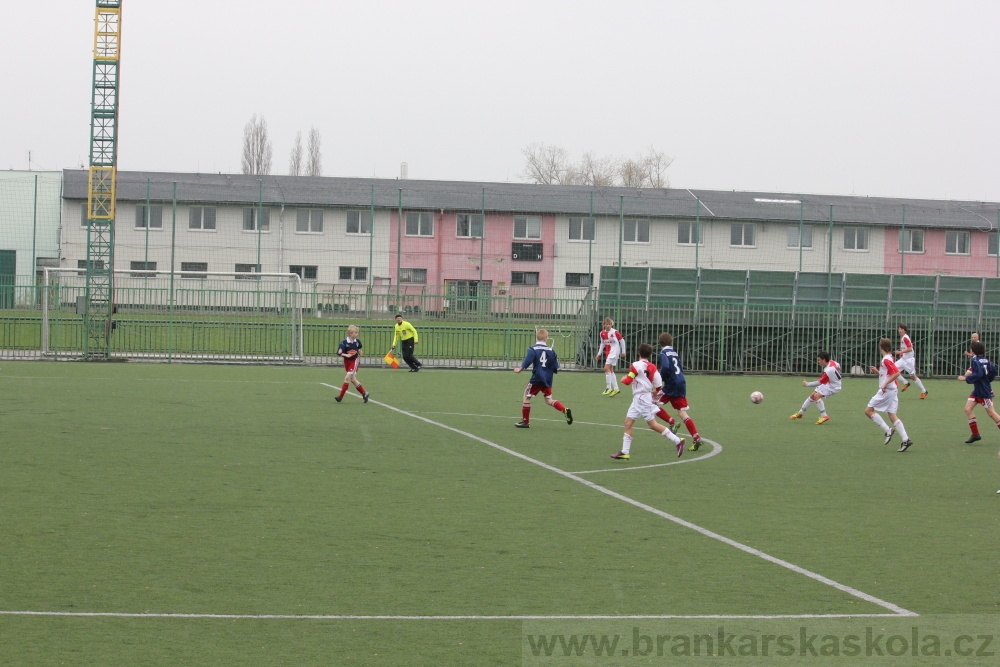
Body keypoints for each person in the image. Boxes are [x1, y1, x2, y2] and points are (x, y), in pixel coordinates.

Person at [611, 343, 685, 460]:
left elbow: (628, 380)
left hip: (641, 399)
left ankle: (677, 440)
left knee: (652, 425)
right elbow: (659, 385)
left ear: (639, 353)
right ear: (650, 355)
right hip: (640, 398)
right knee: (628, 423)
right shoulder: (653, 367)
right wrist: (655, 392)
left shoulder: (635, 365)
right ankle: (625, 451)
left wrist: (623, 379)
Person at [654, 332, 704, 450]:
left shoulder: (663, 353)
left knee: (650, 403)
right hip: (681, 382)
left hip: (670, 384)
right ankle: (696, 437)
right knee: (682, 413)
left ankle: (672, 422)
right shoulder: (674, 352)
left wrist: (660, 379)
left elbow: (666, 367)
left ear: (660, 343)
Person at [513, 328, 572, 428]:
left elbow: (528, 360)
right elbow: (556, 366)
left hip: (536, 378)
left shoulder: (532, 349)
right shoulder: (551, 351)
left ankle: (525, 422)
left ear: (537, 337)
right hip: (547, 379)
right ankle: (564, 410)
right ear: (546, 338)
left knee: (526, 397)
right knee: (549, 400)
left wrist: (520, 369)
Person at [866, 338, 913, 452]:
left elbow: (896, 373)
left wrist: (885, 384)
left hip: (887, 391)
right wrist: (877, 371)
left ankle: (888, 430)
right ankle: (906, 439)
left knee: (868, 411)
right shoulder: (889, 358)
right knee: (892, 415)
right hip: (893, 390)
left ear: (881, 347)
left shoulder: (887, 360)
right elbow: (887, 373)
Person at [957, 340, 1000, 444]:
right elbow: (994, 371)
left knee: (992, 413)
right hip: (978, 390)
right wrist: (987, 380)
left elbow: (979, 374)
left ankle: (975, 434)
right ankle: (975, 434)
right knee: (968, 409)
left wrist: (965, 379)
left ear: (974, 350)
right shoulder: (985, 360)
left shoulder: (975, 360)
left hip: (984, 392)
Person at [790, 352, 842, 424]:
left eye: (819, 360)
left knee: (816, 396)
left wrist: (807, 384)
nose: (818, 362)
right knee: (812, 395)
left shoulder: (828, 371)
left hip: (833, 387)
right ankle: (800, 413)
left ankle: (824, 416)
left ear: (824, 360)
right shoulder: (833, 362)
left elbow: (819, 382)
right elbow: (838, 367)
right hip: (829, 383)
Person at [334, 324, 370, 403]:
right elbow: (339, 352)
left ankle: (340, 397)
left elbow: (358, 348)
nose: (357, 334)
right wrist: (346, 354)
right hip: (347, 362)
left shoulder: (357, 342)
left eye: (357, 333)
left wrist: (359, 351)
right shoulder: (343, 343)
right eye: (355, 333)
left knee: (347, 378)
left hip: (354, 361)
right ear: (350, 333)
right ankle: (364, 393)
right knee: (353, 379)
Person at [595, 317, 626, 396]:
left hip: (614, 351)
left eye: (609, 324)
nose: (608, 325)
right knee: (610, 369)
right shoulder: (602, 333)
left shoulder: (615, 332)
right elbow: (602, 344)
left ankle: (608, 387)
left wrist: (623, 351)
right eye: (606, 324)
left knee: (606, 368)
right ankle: (616, 389)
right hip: (608, 352)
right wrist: (599, 353)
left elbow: (622, 341)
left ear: (611, 324)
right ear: (604, 325)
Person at [895, 324, 927, 399]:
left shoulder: (905, 338)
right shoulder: (903, 338)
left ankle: (924, 391)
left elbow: (910, 348)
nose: (899, 330)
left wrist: (900, 352)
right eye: (898, 329)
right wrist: (902, 353)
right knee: (893, 370)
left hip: (909, 360)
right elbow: (907, 348)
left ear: (904, 330)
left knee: (913, 376)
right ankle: (905, 382)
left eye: (901, 329)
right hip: (903, 359)